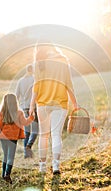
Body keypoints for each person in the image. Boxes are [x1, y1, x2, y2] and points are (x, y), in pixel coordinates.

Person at [29, 44, 78, 175]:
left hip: (43, 104)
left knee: (43, 136)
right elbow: (69, 84)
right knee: (56, 135)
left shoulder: (39, 63)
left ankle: (42, 166)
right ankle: (56, 166)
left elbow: (36, 86)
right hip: (60, 104)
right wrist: (75, 103)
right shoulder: (63, 60)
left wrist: (31, 105)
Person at [0, 93, 34, 184]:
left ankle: (3, 175)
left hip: (3, 138)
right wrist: (31, 117)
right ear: (15, 102)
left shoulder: (2, 113)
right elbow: (25, 122)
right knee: (10, 157)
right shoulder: (19, 113)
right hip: (12, 138)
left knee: (5, 156)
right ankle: (7, 174)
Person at [15, 64, 39, 158]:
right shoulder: (34, 80)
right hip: (33, 107)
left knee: (27, 131)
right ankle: (29, 145)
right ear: (32, 70)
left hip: (24, 107)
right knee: (35, 130)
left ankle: (26, 154)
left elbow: (16, 96)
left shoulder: (20, 81)